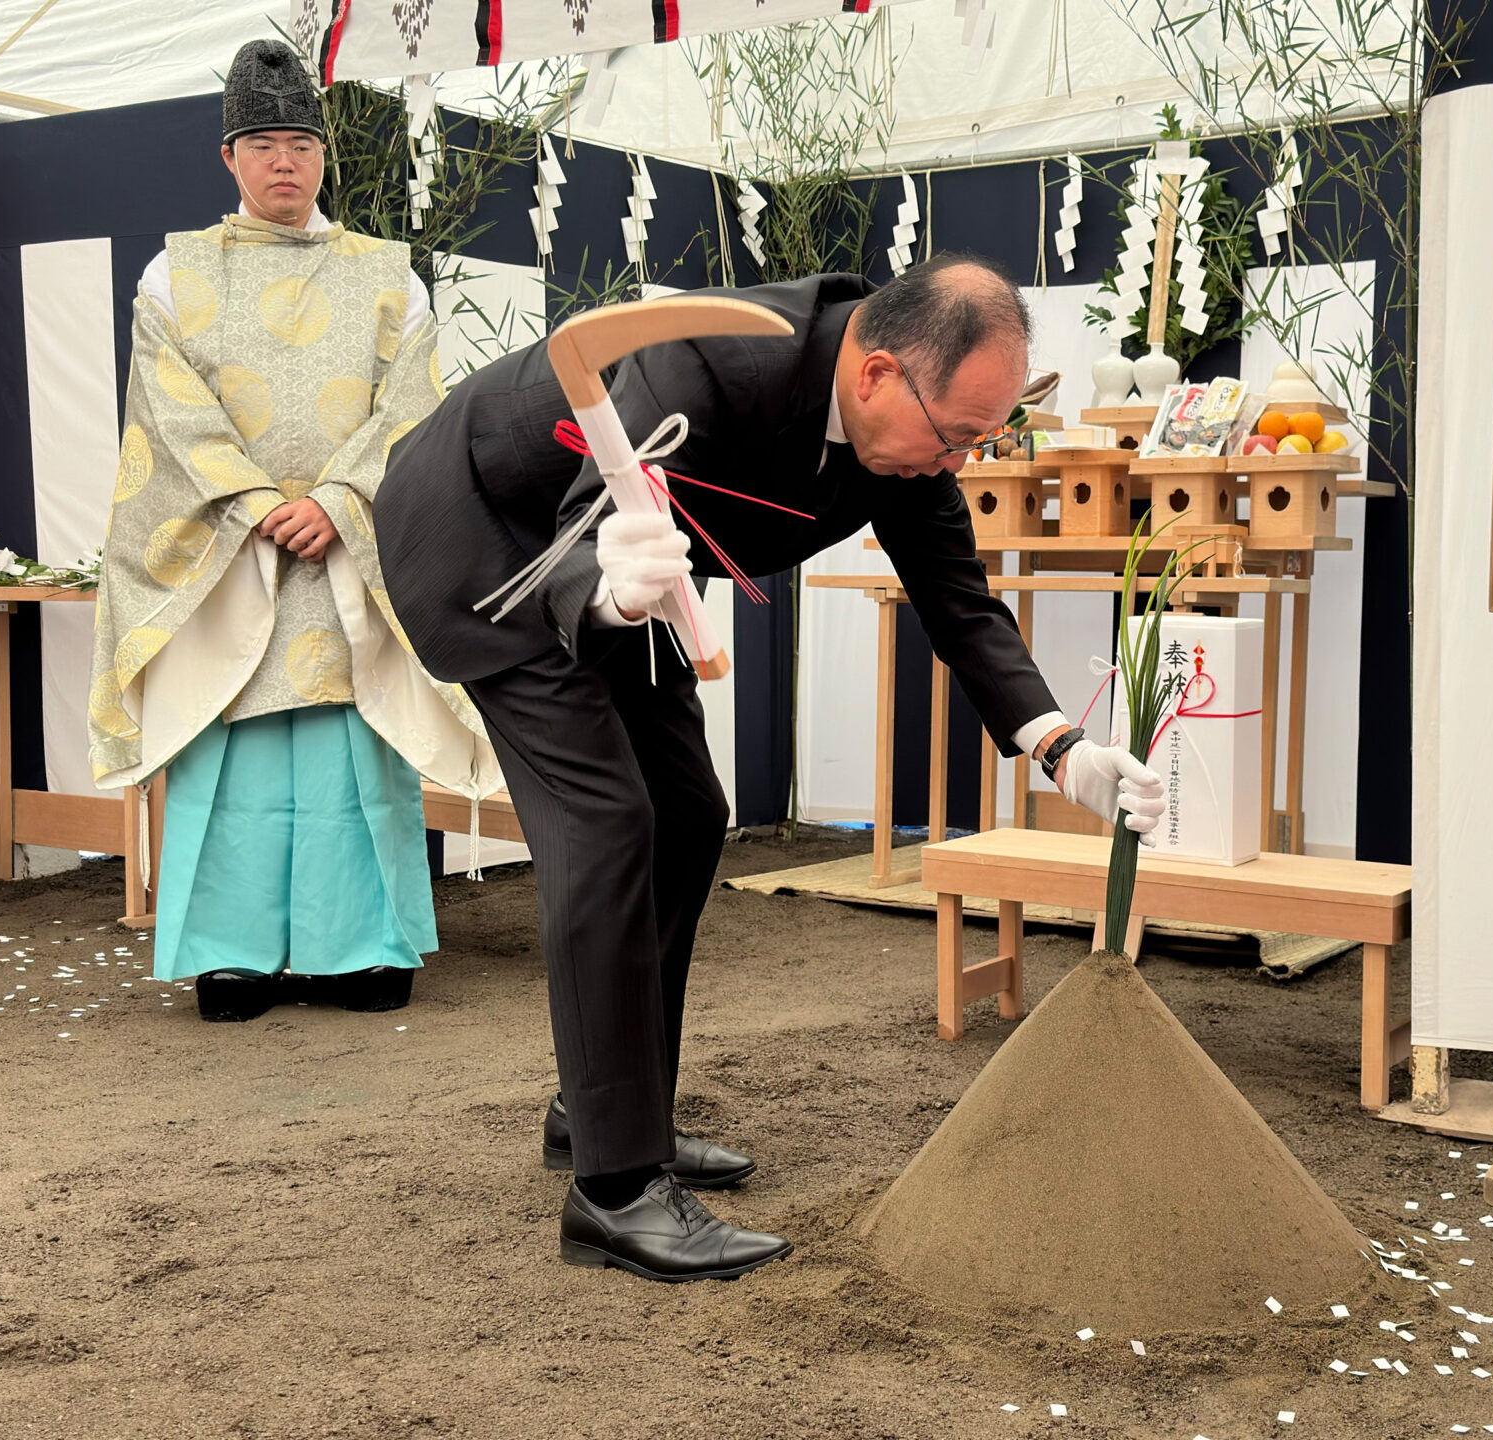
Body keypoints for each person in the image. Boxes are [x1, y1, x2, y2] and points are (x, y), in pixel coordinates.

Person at [377, 255, 1169, 1282]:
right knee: (610, 823)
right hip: (492, 544)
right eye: (957, 437)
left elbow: (957, 601)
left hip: (638, 569)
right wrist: (610, 593)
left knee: (690, 815)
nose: (959, 464)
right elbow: (590, 514)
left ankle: (606, 1112)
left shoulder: (912, 440)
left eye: (982, 439)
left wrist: (1062, 749)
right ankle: (614, 1194)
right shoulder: (706, 360)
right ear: (878, 373)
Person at [87, 39, 496, 1024]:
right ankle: (231, 956)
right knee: (238, 757)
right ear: (228, 155)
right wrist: (258, 501)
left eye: (301, 143)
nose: (284, 160)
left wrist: (341, 497)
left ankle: (363, 948)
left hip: (350, 549)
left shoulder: (392, 276)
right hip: (233, 554)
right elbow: (170, 412)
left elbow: (412, 409)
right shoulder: (171, 277)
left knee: (353, 755)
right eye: (262, 141)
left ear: (325, 157)